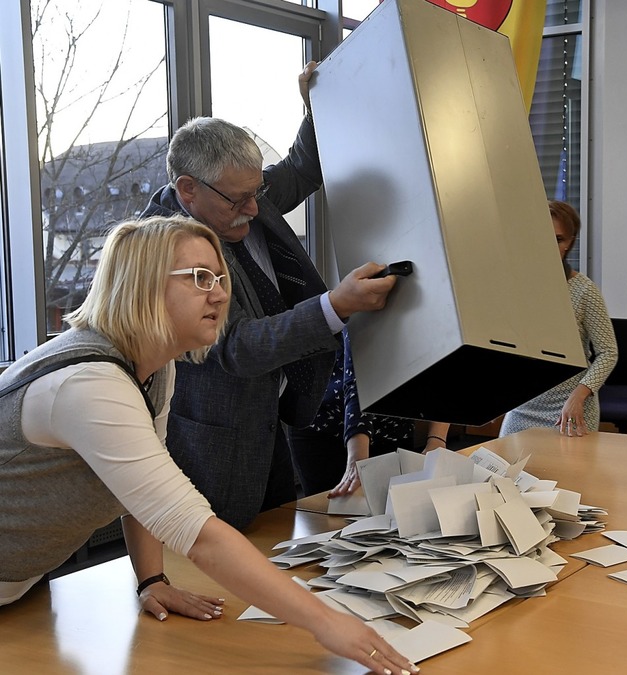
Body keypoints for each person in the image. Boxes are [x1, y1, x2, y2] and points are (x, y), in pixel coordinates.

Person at [0, 215, 420, 675]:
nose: (220, 294)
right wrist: (327, 623)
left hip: (21, 587)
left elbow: (142, 493)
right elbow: (199, 535)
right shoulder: (91, 384)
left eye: (220, 277)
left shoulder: (153, 367)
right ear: (142, 284)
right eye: (200, 278)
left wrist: (152, 578)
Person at [140, 61, 398, 529]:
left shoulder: (237, 193)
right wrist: (336, 306)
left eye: (257, 192)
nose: (256, 209)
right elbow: (236, 346)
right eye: (239, 201)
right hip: (215, 443)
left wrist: (316, 106)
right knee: (225, 569)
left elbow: (301, 167)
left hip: (271, 421)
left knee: (276, 548)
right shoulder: (164, 247)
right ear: (187, 190)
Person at [500, 200, 618, 438]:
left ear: (569, 243)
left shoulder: (584, 290)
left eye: (558, 239)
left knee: (566, 475)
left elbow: (608, 352)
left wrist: (579, 396)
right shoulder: (513, 287)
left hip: (570, 407)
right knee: (504, 473)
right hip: (522, 406)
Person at [289, 328, 451, 497]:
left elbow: (444, 364)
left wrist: (437, 438)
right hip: (324, 425)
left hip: (393, 428)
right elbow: (359, 380)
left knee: (392, 514)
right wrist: (357, 460)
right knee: (326, 517)